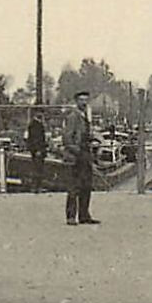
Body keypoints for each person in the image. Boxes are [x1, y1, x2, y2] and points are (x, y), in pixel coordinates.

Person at [63, 92, 100, 225]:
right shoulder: (73, 117)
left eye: (86, 100)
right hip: (76, 156)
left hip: (85, 154)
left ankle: (84, 215)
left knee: (86, 186)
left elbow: (84, 135)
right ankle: (71, 216)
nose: (84, 103)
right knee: (74, 187)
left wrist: (93, 140)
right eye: (81, 100)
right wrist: (77, 152)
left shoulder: (85, 117)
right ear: (76, 102)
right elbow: (67, 138)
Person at [26, 114, 48, 193]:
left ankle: (36, 186)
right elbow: (37, 138)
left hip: (36, 150)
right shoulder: (36, 125)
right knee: (38, 168)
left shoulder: (33, 124)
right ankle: (36, 186)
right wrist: (38, 149)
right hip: (38, 150)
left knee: (37, 168)